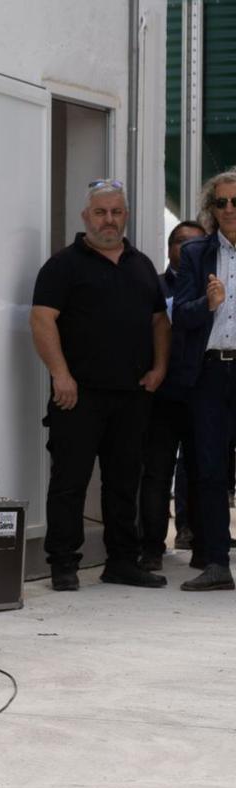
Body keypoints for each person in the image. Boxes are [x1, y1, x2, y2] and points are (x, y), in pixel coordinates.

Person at [30, 179, 170, 592]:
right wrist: (61, 374)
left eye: (116, 212)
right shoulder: (63, 265)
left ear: (125, 216)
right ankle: (63, 564)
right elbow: (42, 319)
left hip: (132, 394)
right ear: (85, 217)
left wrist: (159, 367)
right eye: (100, 212)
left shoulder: (142, 264)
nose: (109, 220)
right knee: (70, 481)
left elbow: (159, 321)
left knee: (124, 481)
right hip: (78, 394)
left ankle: (122, 562)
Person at [173, 167, 236, 591]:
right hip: (211, 372)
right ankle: (216, 563)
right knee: (210, 469)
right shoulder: (197, 253)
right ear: (210, 209)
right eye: (222, 202)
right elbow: (180, 313)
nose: (230, 209)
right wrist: (207, 302)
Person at [137, 220, 206, 571]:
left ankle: (199, 542)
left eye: (197, 243)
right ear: (169, 248)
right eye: (181, 242)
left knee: (203, 470)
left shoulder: (215, 287)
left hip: (203, 392)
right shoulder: (154, 286)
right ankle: (151, 547)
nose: (188, 249)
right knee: (156, 471)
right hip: (161, 393)